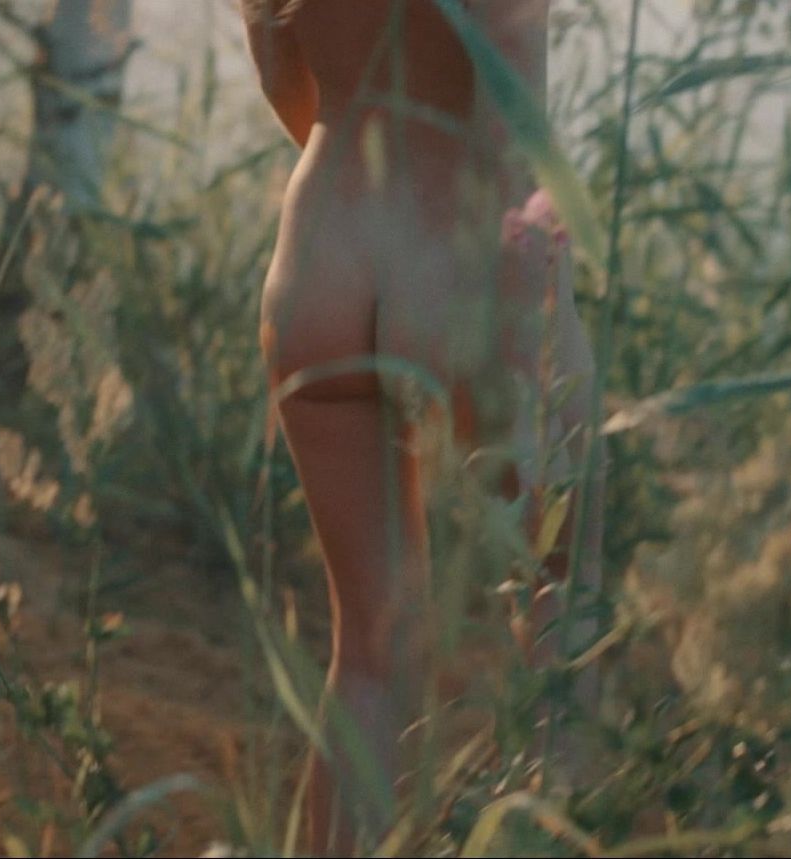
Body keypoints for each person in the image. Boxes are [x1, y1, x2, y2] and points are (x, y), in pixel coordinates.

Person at [240, 0, 601, 851]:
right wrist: (535, 314)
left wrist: (367, 169)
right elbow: (513, 122)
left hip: (320, 256)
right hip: (460, 265)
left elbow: (283, 80)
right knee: (563, 613)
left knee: (371, 651)